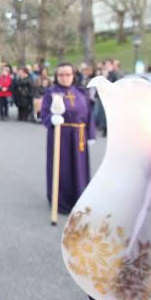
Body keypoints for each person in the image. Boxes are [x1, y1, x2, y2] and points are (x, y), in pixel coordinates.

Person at [42, 62, 96, 214]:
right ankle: (61, 201)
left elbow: (89, 116)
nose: (65, 78)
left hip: (79, 137)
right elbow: (44, 113)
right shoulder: (51, 92)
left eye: (68, 74)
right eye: (61, 75)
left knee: (79, 168)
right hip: (61, 136)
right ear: (57, 76)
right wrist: (51, 119)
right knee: (62, 168)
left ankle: (80, 199)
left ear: (73, 75)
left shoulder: (80, 92)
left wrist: (90, 135)